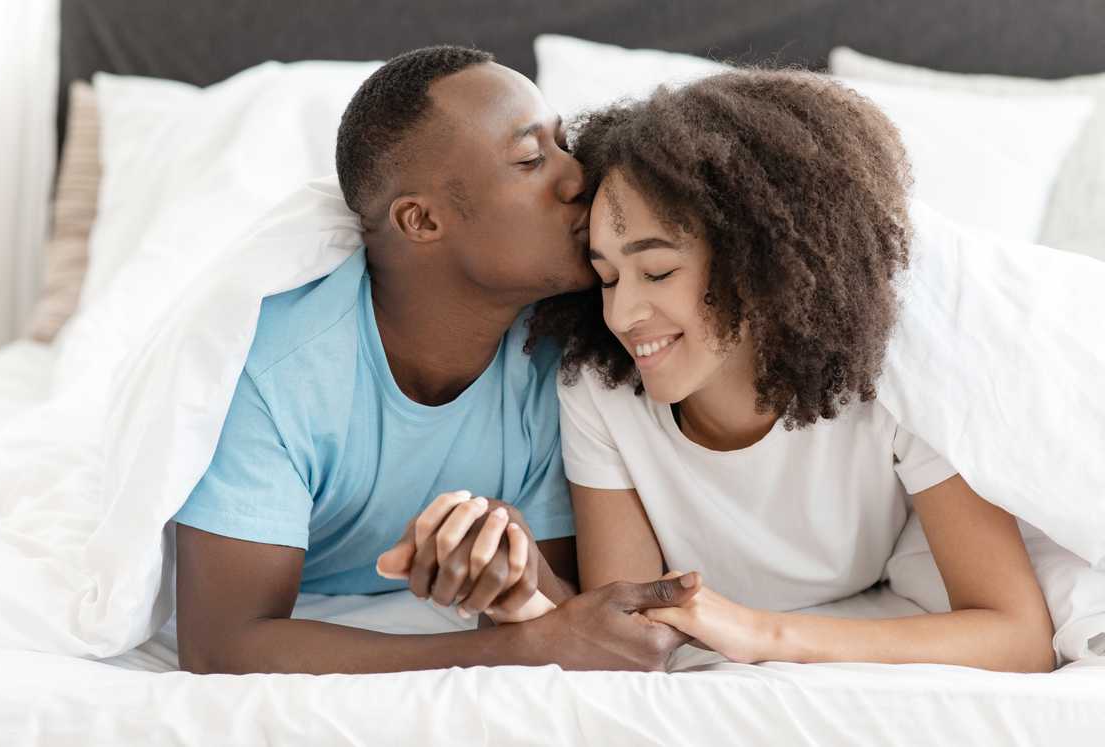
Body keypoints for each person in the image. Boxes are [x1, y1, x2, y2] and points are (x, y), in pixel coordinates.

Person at [173, 45, 699, 676]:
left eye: (562, 145)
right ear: (420, 220)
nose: (577, 177)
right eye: (531, 159)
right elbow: (221, 645)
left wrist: (517, 566)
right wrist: (511, 650)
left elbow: (556, 610)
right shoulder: (276, 373)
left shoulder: (563, 359)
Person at [516, 69, 1056, 672]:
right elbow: (629, 640)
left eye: (658, 272)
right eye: (608, 278)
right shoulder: (599, 387)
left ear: (757, 262)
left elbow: (1019, 638)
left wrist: (764, 635)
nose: (622, 315)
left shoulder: (896, 374)